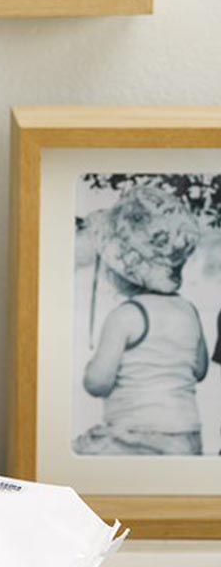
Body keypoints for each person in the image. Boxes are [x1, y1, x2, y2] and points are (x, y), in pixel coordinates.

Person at [76, 186, 208, 456]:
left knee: (76, 457)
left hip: (135, 438)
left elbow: (98, 383)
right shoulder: (189, 311)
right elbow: (200, 370)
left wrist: (91, 369)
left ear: (118, 269)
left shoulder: (126, 316)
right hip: (187, 438)